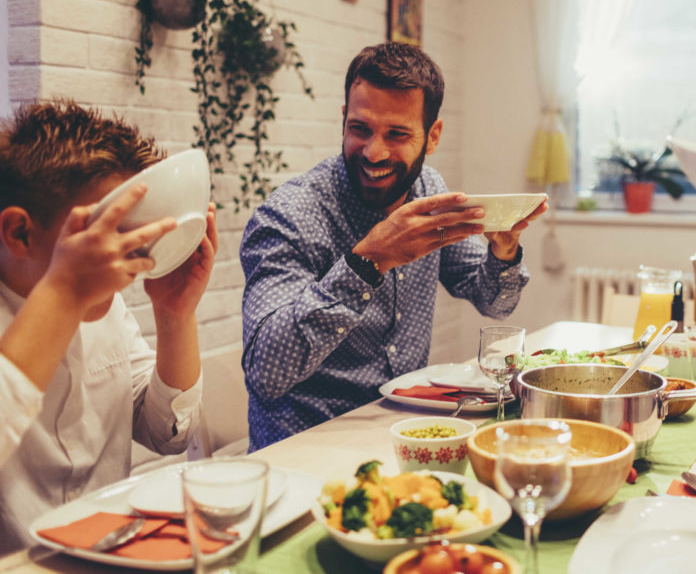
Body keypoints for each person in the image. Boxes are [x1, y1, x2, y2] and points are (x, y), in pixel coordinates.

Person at [240, 42, 546, 450]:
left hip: (405, 433)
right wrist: (368, 262)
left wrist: (502, 251)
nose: (374, 151)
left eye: (397, 134)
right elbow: (266, 373)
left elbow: (495, 303)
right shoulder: (290, 216)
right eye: (359, 128)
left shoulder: (428, 191)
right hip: (306, 448)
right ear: (343, 120)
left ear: (432, 136)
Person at [0, 100, 218, 553]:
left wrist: (174, 315)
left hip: (115, 551)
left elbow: (166, 433)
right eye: (100, 234)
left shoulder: (107, 304)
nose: (120, 256)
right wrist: (64, 292)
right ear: (19, 233)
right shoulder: (76, 289)